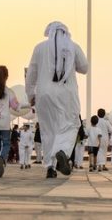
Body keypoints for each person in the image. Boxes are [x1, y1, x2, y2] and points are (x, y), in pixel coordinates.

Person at [26, 21, 89, 179]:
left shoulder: (39, 48)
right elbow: (84, 68)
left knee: (48, 131)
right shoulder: (73, 46)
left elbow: (31, 73)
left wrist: (30, 95)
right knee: (71, 125)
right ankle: (63, 151)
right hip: (67, 94)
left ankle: (50, 166)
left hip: (44, 95)